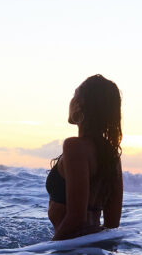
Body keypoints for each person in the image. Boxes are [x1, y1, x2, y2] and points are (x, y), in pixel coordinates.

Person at [46, 74, 123, 240]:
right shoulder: (112, 155)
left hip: (70, 251)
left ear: (80, 105)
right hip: (91, 250)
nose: (71, 100)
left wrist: (48, 251)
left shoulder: (74, 147)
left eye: (74, 95)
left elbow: (76, 219)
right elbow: (112, 224)